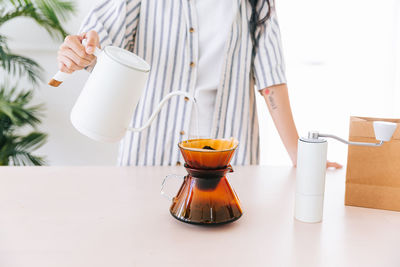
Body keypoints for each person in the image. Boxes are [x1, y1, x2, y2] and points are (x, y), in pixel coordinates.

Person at [57, 0, 342, 168]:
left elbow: (271, 78)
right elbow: (100, 39)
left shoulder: (256, 3)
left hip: (228, 159)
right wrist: (80, 51)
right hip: (151, 154)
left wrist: (298, 154)